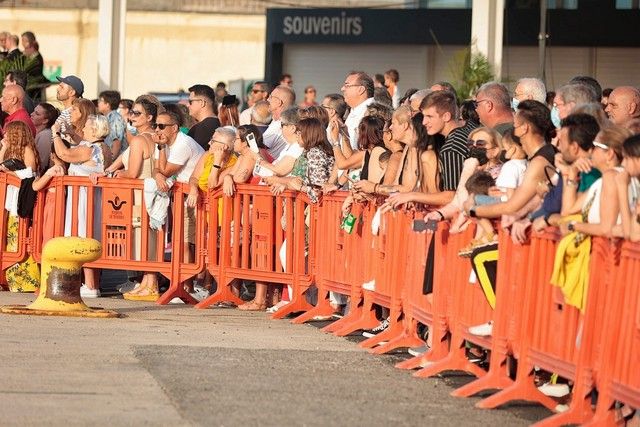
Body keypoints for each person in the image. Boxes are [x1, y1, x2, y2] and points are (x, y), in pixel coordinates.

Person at [99, 99, 159, 299]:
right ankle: (147, 282)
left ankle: (151, 284)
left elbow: (132, 173)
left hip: (139, 195)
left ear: (149, 117)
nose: (132, 116)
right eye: (132, 112)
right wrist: (108, 171)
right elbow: (121, 160)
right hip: (151, 195)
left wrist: (116, 175)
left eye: (137, 113)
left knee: (142, 239)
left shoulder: (140, 140)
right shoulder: (153, 136)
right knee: (150, 239)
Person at [52, 114, 113, 298]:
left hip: (85, 200)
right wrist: (69, 133)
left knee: (84, 235)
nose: (83, 129)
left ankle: (91, 284)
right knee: (88, 235)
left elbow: (65, 154)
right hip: (89, 198)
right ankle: (90, 283)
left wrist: (55, 135)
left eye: (86, 126)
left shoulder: (92, 148)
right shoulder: (101, 147)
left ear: (94, 129)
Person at [387, 90, 472, 209]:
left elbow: (451, 197)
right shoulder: (466, 132)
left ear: (446, 116)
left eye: (429, 116)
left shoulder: (451, 147)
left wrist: (412, 196)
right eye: (424, 116)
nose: (424, 122)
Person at [152, 110, 205, 296]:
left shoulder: (182, 143)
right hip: (185, 195)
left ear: (174, 128)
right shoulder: (168, 143)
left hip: (195, 196)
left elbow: (164, 170)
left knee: (187, 242)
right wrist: (158, 173)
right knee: (183, 241)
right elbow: (157, 171)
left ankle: (188, 286)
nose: (157, 130)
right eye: (156, 125)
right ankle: (185, 285)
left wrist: (160, 170)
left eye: (162, 126)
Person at [1, 121, 40, 293]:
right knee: (10, 240)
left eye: (8, 133)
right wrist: (3, 147)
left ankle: (26, 282)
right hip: (9, 201)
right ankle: (11, 279)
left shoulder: (27, 150)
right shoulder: (10, 150)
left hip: (20, 200)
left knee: (19, 240)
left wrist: (10, 173)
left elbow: (30, 172)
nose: (5, 135)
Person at [342, 71, 375, 150]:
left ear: (361, 89)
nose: (342, 89)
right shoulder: (355, 110)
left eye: (347, 85)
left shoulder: (372, 112)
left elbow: (365, 151)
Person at [262, 85, 296, 159]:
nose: (267, 99)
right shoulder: (279, 121)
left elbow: (258, 148)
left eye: (271, 97)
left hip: (269, 167)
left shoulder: (279, 124)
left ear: (279, 102)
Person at [187, 84, 220, 150]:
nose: (187, 105)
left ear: (202, 103)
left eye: (190, 102)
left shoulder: (205, 127)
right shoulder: (212, 123)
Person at [30, 102, 59, 172]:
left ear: (45, 120)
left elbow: (42, 163)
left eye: (37, 114)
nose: (31, 114)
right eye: (34, 111)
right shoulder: (41, 133)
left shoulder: (45, 135)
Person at [97, 90, 127, 157]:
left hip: (115, 161)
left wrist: (111, 162)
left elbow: (117, 144)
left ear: (107, 104)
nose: (98, 103)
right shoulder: (107, 118)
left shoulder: (115, 118)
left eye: (100, 101)